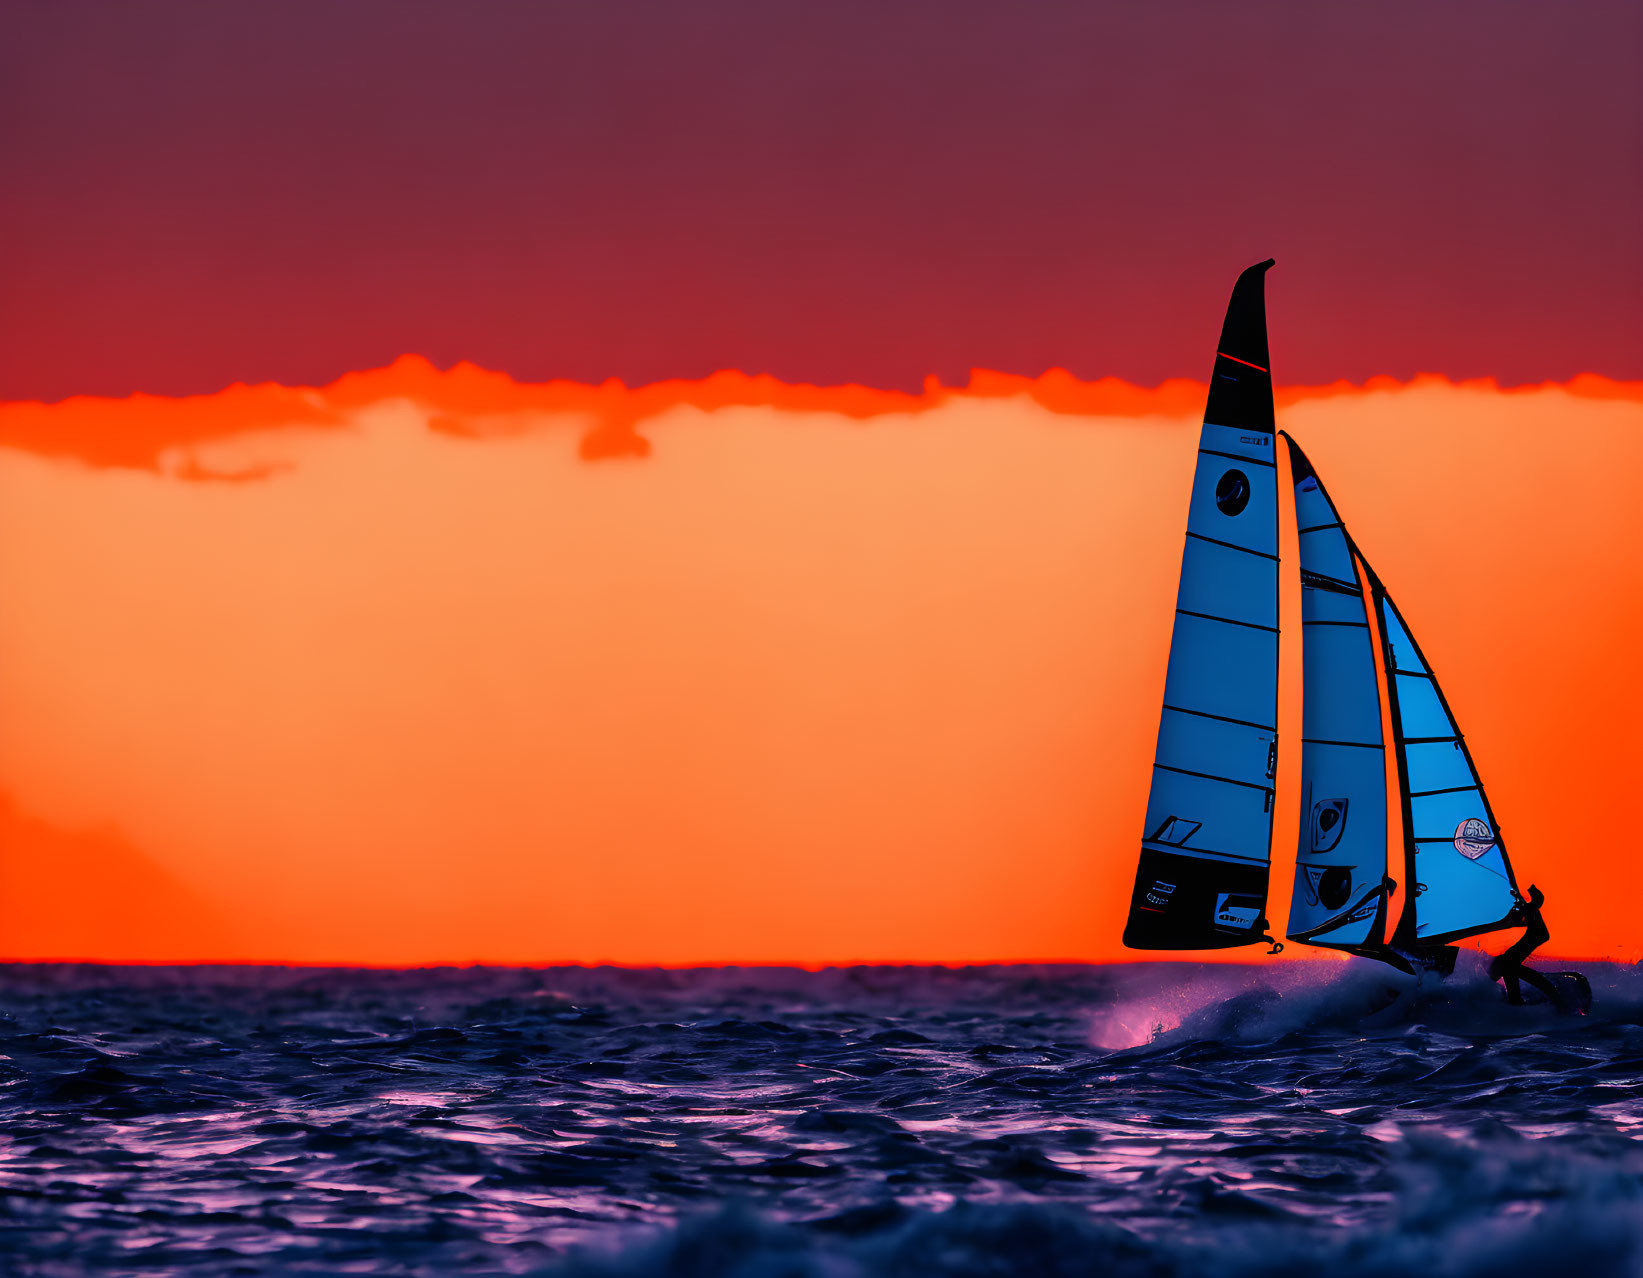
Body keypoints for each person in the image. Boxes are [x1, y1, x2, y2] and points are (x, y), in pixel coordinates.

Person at [1488, 884, 1558, 1005]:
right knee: (1508, 964)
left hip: (1528, 938)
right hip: (1529, 937)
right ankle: (1515, 1000)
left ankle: (1516, 1000)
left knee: (1508, 964)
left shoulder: (1531, 910)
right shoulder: (1530, 910)